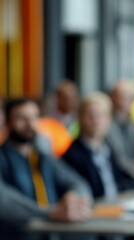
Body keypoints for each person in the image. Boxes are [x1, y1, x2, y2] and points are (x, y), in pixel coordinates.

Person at [0, 98, 92, 240]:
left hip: (52, 232)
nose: (29, 124)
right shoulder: (3, 157)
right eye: (21, 118)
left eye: (34, 117)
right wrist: (49, 213)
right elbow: (4, 200)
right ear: (8, 123)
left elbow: (78, 182)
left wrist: (73, 197)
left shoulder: (43, 157)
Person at [62, 92, 134, 199]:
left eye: (101, 115)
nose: (96, 120)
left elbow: (122, 182)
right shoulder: (71, 156)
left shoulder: (109, 149)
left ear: (109, 119)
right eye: (90, 114)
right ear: (80, 118)